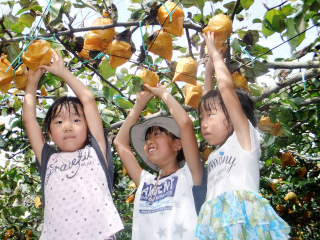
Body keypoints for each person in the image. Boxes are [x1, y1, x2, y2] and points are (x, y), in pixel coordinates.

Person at [195, 32, 290, 239]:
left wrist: (214, 52)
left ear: (235, 113)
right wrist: (208, 68)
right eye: (201, 118)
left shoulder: (244, 139)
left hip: (242, 222)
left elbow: (226, 89)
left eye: (211, 116)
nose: (204, 123)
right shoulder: (213, 155)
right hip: (216, 223)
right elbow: (208, 100)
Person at [22, 49, 124, 240]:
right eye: (59, 122)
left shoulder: (96, 151)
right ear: (49, 133)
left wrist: (63, 72)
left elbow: (88, 99)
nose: (68, 127)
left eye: (76, 120)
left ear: (87, 127)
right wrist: (32, 82)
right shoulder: (48, 158)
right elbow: (29, 120)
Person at [114, 83, 207, 240]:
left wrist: (163, 93)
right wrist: (139, 104)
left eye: (157, 134)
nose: (149, 141)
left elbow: (185, 124)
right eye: (147, 138)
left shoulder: (189, 175)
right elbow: (120, 143)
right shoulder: (145, 182)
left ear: (177, 144)